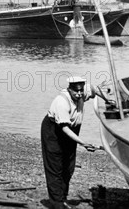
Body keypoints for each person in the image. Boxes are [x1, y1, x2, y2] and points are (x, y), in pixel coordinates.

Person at [41, 76, 112, 209]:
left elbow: (95, 89)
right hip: (55, 131)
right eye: (76, 91)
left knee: (69, 166)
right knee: (55, 166)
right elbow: (64, 129)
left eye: (81, 91)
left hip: (72, 129)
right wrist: (83, 143)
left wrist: (108, 100)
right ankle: (57, 203)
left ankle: (63, 197)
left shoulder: (82, 92)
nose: (79, 94)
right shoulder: (61, 102)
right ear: (69, 89)